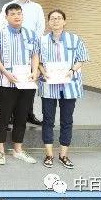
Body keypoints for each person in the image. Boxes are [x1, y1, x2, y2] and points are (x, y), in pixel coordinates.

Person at [38, 9, 89, 169]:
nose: (56, 21)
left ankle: (63, 155)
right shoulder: (41, 40)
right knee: (48, 120)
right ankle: (49, 154)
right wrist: (43, 72)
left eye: (59, 18)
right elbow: (37, 61)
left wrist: (72, 70)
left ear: (64, 21)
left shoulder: (75, 39)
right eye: (52, 18)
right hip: (49, 85)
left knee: (67, 120)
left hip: (69, 85)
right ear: (48, 22)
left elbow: (82, 58)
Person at [0, 3, 40, 166]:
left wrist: (34, 71)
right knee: (3, 116)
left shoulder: (31, 34)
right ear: (6, 17)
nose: (16, 16)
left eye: (19, 13)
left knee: (22, 116)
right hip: (6, 82)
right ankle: (0, 150)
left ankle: (18, 149)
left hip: (26, 83)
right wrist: (6, 73)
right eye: (12, 14)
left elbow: (35, 55)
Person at [1, 0, 45, 126]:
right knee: (11, 84)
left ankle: (28, 114)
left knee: (29, 83)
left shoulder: (36, 7)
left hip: (30, 51)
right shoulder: (7, 6)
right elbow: (3, 26)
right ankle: (12, 114)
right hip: (12, 52)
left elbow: (40, 27)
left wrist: (33, 46)